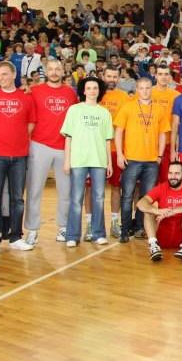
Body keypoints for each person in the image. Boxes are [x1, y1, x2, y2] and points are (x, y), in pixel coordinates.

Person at [0, 61, 37, 255]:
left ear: (13, 74)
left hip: (19, 155)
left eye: (4, 74)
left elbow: (31, 122)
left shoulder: (26, 96)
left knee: (17, 199)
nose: (1, 78)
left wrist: (20, 139)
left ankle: (15, 237)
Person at [24, 59, 78, 245]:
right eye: (51, 69)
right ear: (45, 72)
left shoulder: (70, 93)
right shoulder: (34, 91)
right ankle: (32, 230)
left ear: (63, 72)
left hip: (64, 147)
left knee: (66, 191)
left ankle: (63, 227)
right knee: (34, 190)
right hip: (39, 145)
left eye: (57, 69)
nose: (54, 72)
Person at [115, 76, 171, 242]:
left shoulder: (158, 109)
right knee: (127, 196)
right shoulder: (128, 107)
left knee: (145, 198)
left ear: (151, 89)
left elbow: (162, 134)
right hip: (131, 159)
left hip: (152, 161)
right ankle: (125, 230)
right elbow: (118, 131)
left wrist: (160, 156)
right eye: (142, 88)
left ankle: (140, 227)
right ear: (137, 90)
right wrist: (120, 154)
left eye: (148, 88)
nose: (145, 91)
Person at [61, 76, 113, 247]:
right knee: (76, 199)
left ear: (99, 91)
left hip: (99, 160)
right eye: (89, 88)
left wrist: (109, 163)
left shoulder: (104, 113)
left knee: (99, 197)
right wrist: (67, 161)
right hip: (78, 160)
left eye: (95, 88)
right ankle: (72, 235)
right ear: (83, 90)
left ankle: (98, 234)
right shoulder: (74, 110)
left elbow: (107, 140)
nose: (92, 91)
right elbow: (68, 138)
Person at [136, 162, 182, 261]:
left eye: (177, 173)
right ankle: (153, 246)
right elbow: (140, 203)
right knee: (148, 210)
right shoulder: (161, 188)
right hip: (162, 237)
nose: (173, 177)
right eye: (170, 173)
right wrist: (156, 211)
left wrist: (174, 211)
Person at [96, 65, 128, 237]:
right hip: (96, 150)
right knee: (94, 189)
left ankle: (115, 223)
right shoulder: (95, 94)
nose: (112, 80)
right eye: (109, 76)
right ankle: (93, 224)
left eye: (115, 77)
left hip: (117, 150)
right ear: (103, 76)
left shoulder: (124, 97)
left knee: (116, 187)